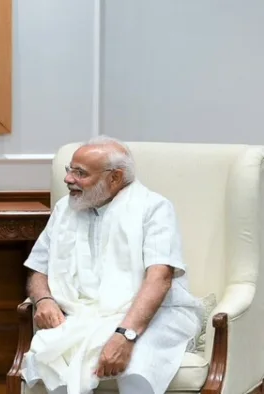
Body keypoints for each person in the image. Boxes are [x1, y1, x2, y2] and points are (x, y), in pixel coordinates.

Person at [20, 136, 204, 394]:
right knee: (53, 364)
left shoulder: (153, 208)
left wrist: (124, 335)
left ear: (115, 178)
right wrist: (44, 300)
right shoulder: (65, 209)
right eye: (69, 170)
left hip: (153, 314)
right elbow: (39, 268)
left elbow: (159, 278)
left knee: (135, 369)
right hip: (81, 314)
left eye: (80, 173)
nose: (68, 179)